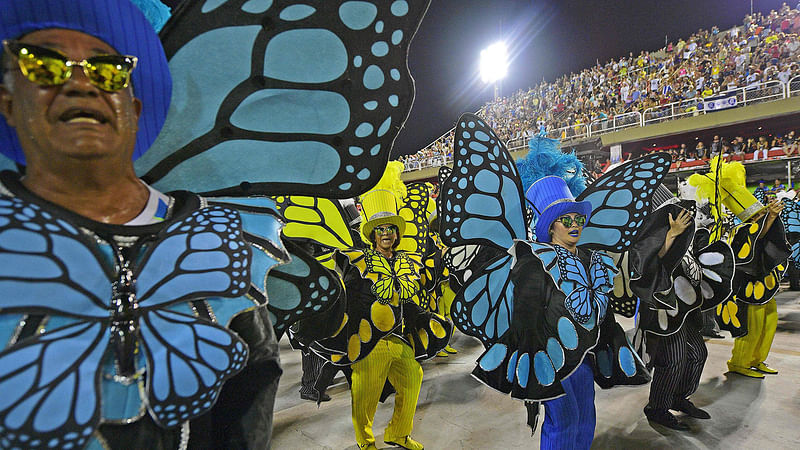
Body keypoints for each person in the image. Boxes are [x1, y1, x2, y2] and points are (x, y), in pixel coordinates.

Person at [0, 1, 283, 448]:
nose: (80, 84)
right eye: (45, 64)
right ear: (8, 99)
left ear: (132, 105)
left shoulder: (219, 242)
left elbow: (246, 405)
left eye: (107, 70)